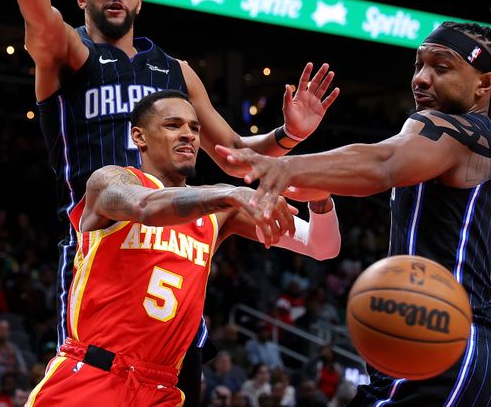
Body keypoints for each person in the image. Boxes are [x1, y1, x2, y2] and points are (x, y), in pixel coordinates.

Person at [0, 0, 339, 405]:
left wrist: (287, 135)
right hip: (106, 225)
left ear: (140, 0)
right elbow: (38, 18)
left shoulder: (177, 71)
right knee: (97, 359)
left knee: (176, 362)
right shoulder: (69, 51)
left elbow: (236, 155)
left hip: (182, 221)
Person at [219, 20, 491, 406]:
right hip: (486, 360)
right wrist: (318, 186)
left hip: (439, 339)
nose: (421, 79)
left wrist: (289, 166)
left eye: (441, 67)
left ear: (483, 84)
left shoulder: (445, 128)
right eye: (419, 65)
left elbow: (384, 162)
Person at [26, 90, 341, 405]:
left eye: (194, 128)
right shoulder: (110, 182)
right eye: (173, 125)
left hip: (162, 388)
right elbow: (146, 206)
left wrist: (321, 199)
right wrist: (229, 195)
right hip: (93, 373)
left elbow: (321, 246)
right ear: (139, 136)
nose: (188, 135)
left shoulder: (220, 207)